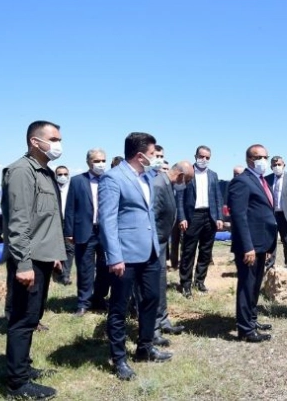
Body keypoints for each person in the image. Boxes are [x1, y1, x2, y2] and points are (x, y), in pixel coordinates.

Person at [98, 132, 172, 381]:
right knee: (119, 307)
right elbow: (107, 220)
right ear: (140, 156)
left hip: (149, 251)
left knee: (151, 298)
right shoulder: (113, 178)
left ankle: (145, 347)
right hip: (125, 255)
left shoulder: (147, 177)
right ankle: (119, 358)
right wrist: (114, 257)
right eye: (153, 154)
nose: (156, 158)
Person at [2, 120, 66, 399]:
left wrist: (55, 255)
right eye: (53, 139)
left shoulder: (45, 172)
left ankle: (23, 367)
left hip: (43, 257)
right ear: (35, 142)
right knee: (23, 319)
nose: (58, 144)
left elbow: (47, 220)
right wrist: (24, 265)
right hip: (28, 259)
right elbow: (18, 223)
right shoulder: (21, 172)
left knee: (33, 316)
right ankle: (17, 384)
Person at [227, 144, 277, 342]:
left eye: (265, 157)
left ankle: (252, 320)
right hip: (249, 246)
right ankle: (245, 330)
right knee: (247, 286)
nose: (263, 161)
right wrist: (248, 247)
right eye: (258, 157)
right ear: (249, 159)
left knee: (255, 285)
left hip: (262, 243)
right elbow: (239, 216)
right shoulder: (242, 182)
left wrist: (267, 246)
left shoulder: (262, 181)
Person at [148, 161, 194, 345]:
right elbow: (151, 216)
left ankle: (163, 320)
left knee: (161, 283)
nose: (186, 185)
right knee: (152, 287)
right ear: (180, 176)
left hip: (161, 241)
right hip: (154, 243)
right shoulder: (158, 185)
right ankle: (152, 329)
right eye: (187, 181)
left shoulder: (167, 183)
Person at [64, 149, 110, 316]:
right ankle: (83, 302)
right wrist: (68, 231)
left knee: (105, 267)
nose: (100, 164)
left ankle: (99, 298)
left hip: (105, 231)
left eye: (103, 160)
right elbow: (70, 207)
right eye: (96, 161)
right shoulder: (77, 181)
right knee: (85, 268)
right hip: (85, 230)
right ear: (88, 162)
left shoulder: (110, 179)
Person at [176, 145, 224, 297]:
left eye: (207, 157)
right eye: (201, 156)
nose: (204, 159)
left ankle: (200, 281)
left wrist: (219, 217)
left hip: (209, 216)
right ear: (195, 156)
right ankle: (185, 284)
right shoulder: (187, 173)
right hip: (192, 217)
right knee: (188, 251)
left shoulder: (213, 175)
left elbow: (218, 197)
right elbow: (180, 198)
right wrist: (182, 217)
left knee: (205, 251)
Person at [264, 156, 287, 269]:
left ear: (284, 165)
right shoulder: (266, 179)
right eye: (274, 165)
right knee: (271, 242)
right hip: (271, 215)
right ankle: (269, 266)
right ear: (271, 167)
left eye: (279, 164)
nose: (277, 167)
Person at [55, 166, 74, 286]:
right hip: (55, 221)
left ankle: (65, 275)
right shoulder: (52, 188)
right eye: (60, 174)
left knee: (70, 248)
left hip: (68, 221)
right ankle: (57, 272)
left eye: (65, 174)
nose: (63, 176)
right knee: (56, 248)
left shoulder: (72, 188)